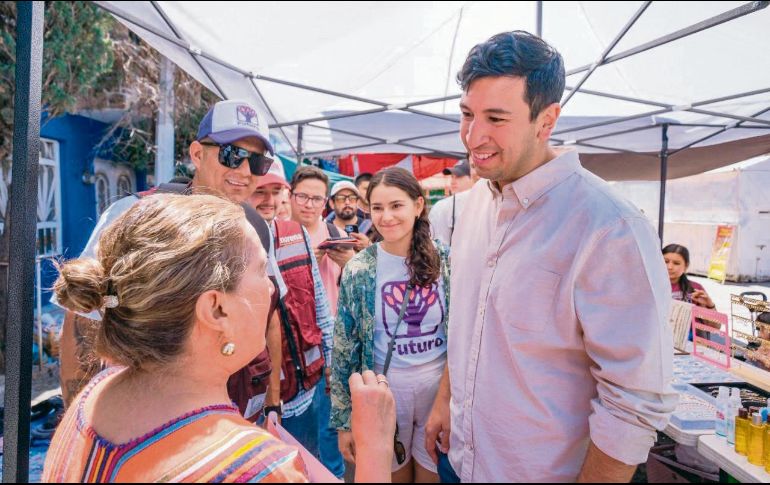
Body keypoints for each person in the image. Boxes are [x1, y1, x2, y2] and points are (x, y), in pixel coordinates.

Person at [424, 31, 677, 482]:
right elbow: (469, 326)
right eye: (467, 114)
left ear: (547, 121)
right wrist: (446, 399)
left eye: (496, 118)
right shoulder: (469, 207)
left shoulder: (610, 228)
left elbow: (634, 401)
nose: (472, 136)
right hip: (460, 463)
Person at [43, 194, 395, 483]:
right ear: (216, 310)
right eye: (261, 270)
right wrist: (376, 450)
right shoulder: (256, 469)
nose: (273, 286)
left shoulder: (94, 394)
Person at [57, 100, 284, 419]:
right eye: (232, 155)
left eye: (258, 162)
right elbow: (84, 321)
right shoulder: (137, 214)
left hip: (235, 412)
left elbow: (269, 314)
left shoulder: (257, 226)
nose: (245, 171)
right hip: (148, 419)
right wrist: (80, 423)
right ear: (196, 154)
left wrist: (272, 401)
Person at [332, 167, 451, 483]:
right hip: (385, 390)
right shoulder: (360, 268)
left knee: (431, 474)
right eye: (377, 207)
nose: (386, 217)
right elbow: (345, 348)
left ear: (417, 205)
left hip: (437, 390)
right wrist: (345, 421)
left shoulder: (446, 259)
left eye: (396, 205)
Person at [249, 158, 344, 477]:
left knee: (316, 462)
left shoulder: (295, 234)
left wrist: (331, 364)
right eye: (261, 190)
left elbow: (319, 304)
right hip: (261, 396)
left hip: (310, 384)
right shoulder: (232, 244)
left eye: (277, 191)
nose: (270, 200)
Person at [290, 167, 356, 317]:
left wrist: (350, 263)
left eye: (317, 199)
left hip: (331, 326)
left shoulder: (337, 234)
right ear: (290, 195)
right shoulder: (276, 234)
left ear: (325, 202)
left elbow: (358, 284)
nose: (309, 205)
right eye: (302, 196)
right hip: (291, 327)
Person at [428, 159, 479, 246]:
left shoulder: (484, 203)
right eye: (452, 176)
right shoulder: (443, 206)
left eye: (458, 176)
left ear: (472, 177)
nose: (453, 181)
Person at [663, 244, 715, 309]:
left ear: (686, 266)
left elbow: (711, 319)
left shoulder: (695, 289)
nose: (669, 267)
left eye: (676, 263)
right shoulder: (650, 287)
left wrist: (710, 305)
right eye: (665, 261)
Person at [327, 180, 373, 251]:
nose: (347, 202)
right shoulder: (324, 229)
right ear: (331, 203)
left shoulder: (371, 229)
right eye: (341, 198)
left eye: (352, 198)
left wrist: (371, 248)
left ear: (357, 202)